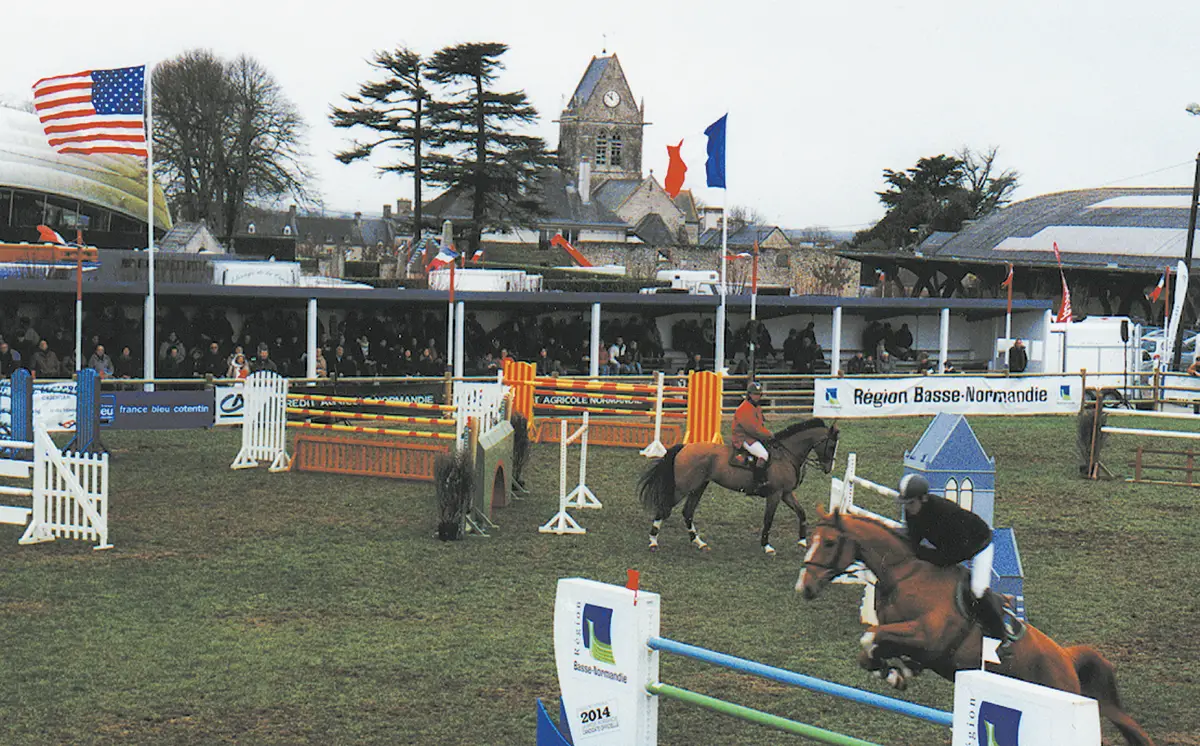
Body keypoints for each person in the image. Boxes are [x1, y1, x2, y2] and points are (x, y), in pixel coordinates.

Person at [897, 474, 1018, 643]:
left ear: (923, 498)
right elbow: (913, 541)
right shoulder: (913, 510)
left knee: (977, 591)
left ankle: (1000, 638)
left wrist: (921, 553)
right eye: (905, 504)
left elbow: (949, 556)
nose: (907, 508)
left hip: (978, 546)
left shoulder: (945, 513)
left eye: (911, 503)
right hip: (952, 548)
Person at [732, 381, 773, 496]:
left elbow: (759, 426)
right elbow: (753, 429)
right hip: (743, 437)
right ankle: (757, 485)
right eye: (755, 394)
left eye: (759, 394)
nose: (757, 396)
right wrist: (768, 435)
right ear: (749, 394)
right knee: (763, 455)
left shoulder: (756, 407)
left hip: (753, 436)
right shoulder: (744, 408)